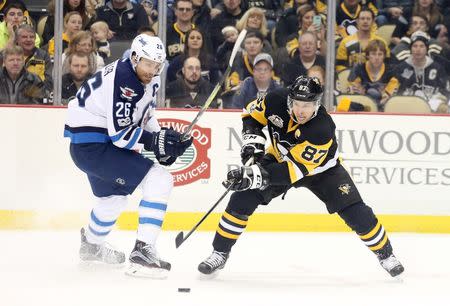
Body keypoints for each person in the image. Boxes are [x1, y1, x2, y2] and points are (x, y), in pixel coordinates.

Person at [197, 75, 405, 278]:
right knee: (241, 199)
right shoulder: (274, 100)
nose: (301, 110)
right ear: (289, 99)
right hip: (279, 158)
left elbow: (292, 172)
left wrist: (252, 175)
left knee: (356, 213)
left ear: (317, 104)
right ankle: (219, 252)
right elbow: (251, 116)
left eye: (307, 105)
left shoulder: (322, 129)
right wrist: (253, 143)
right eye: (297, 104)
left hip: (322, 171)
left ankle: (386, 255)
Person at [63, 34, 193, 277]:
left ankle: (91, 245)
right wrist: (155, 142)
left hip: (89, 146)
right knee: (160, 180)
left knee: (113, 199)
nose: (152, 70)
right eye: (147, 63)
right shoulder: (125, 81)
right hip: (94, 145)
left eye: (157, 65)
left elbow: (145, 115)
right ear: (134, 58)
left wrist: (161, 137)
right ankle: (143, 253)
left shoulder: (145, 77)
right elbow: (121, 135)